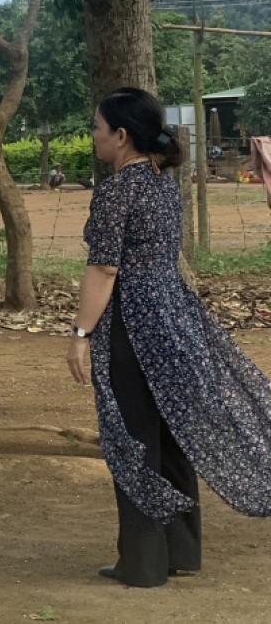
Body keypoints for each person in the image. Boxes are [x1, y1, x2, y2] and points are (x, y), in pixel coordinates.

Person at [66, 87, 271, 588]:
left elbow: (105, 268)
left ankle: (142, 563)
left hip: (133, 326)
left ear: (120, 135)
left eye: (97, 127)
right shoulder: (162, 183)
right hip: (175, 317)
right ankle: (180, 551)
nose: (92, 136)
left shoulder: (117, 190)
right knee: (172, 432)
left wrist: (79, 333)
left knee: (132, 439)